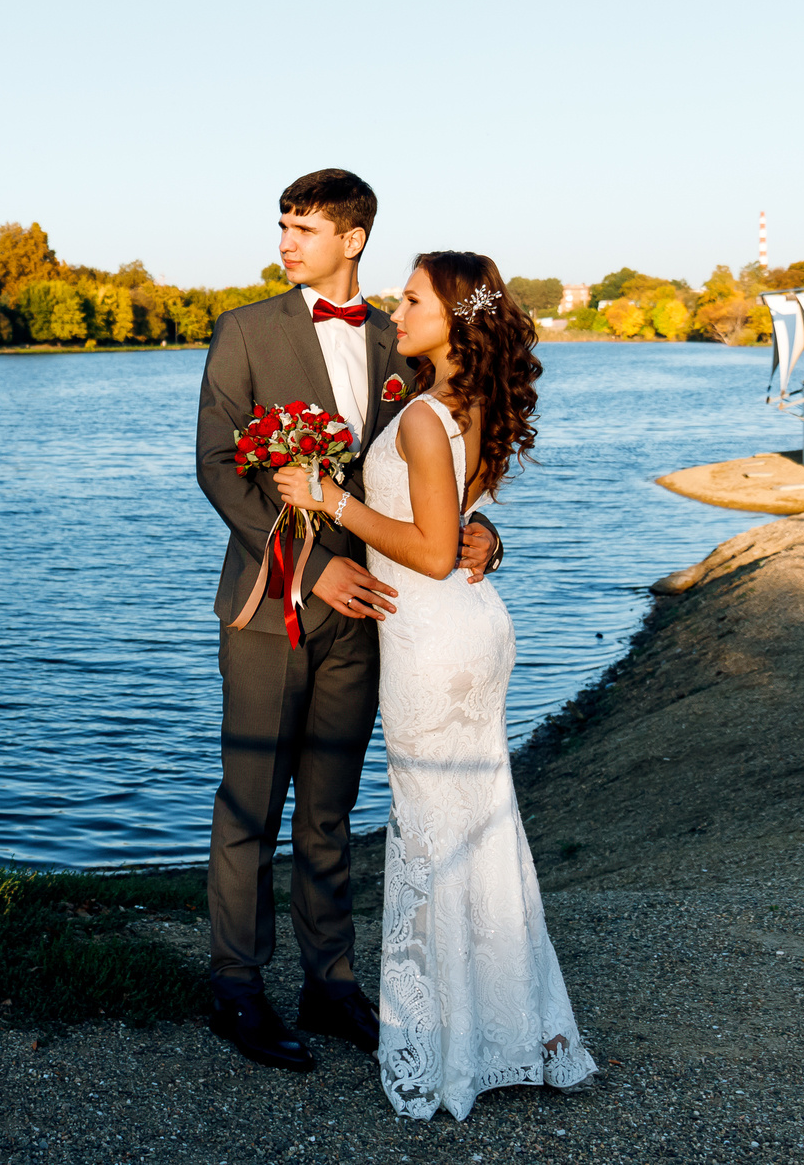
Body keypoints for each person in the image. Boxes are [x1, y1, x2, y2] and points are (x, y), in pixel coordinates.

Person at [274, 250, 596, 1120]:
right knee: (481, 825)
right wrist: (474, 528)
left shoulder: (422, 415)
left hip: (431, 638)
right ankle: (512, 1029)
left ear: (454, 318)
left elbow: (425, 543)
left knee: (432, 832)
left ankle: (447, 1048)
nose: (398, 304)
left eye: (414, 296)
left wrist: (329, 501)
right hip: (470, 626)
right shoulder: (471, 400)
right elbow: (460, 520)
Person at [191, 171, 500, 1073]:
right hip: (270, 605)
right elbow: (218, 467)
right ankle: (235, 988)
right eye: (282, 225)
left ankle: (329, 983)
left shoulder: (398, 335)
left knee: (329, 811)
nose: (287, 241)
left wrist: (485, 535)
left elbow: (441, 469)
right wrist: (311, 565)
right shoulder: (245, 331)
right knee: (250, 804)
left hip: (377, 615)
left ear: (353, 238)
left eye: (306, 227)